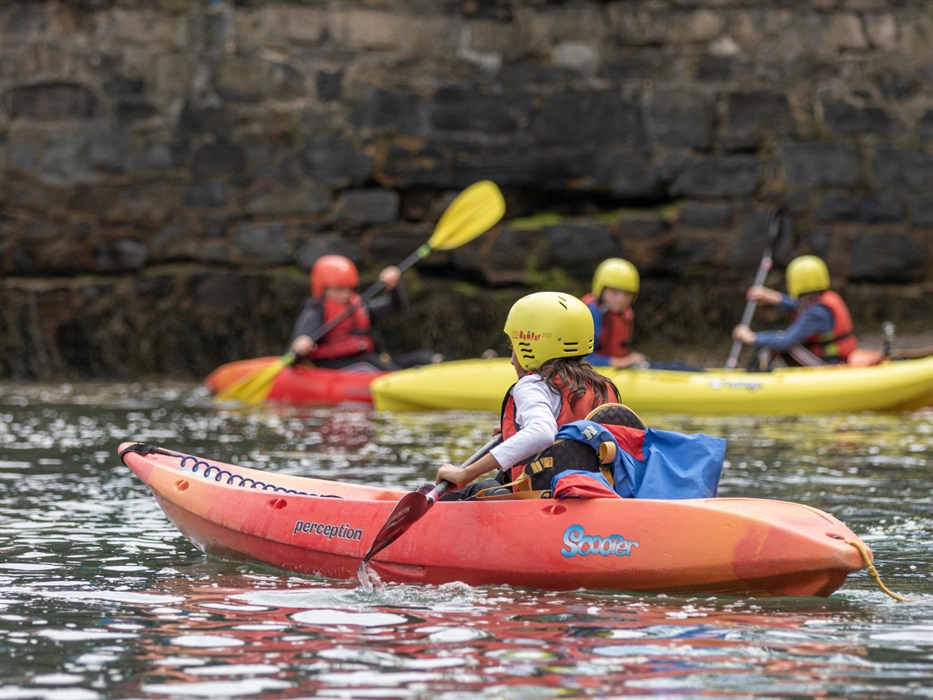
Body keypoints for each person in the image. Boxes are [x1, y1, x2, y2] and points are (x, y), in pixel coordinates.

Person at [436, 291, 620, 500]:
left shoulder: (534, 384)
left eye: (512, 347)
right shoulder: (601, 386)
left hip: (546, 501)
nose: (512, 360)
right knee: (497, 482)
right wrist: (515, 434)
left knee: (468, 491)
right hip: (597, 496)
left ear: (531, 346)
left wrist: (464, 474)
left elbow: (542, 433)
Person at [290, 255, 441, 371]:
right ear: (322, 289)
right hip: (336, 365)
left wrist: (394, 288)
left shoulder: (358, 305)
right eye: (338, 289)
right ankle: (409, 381)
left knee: (424, 357)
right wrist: (300, 346)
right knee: (371, 364)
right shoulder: (316, 309)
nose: (345, 294)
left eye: (349, 289)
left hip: (366, 359)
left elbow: (395, 307)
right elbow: (296, 348)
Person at [732, 255, 858, 368]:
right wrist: (771, 297)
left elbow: (787, 340)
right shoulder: (822, 301)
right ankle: (758, 372)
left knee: (776, 341)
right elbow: (798, 306)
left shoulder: (817, 312)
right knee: (775, 337)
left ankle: (756, 377)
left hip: (828, 366)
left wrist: (752, 337)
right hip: (831, 359)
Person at [582, 258, 648, 369]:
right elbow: (582, 359)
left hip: (616, 370)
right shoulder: (590, 314)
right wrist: (621, 362)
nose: (620, 300)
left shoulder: (625, 314)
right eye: (614, 292)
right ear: (601, 290)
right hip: (595, 372)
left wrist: (630, 360)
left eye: (626, 294)